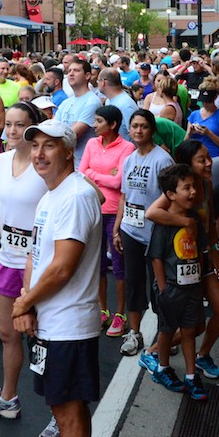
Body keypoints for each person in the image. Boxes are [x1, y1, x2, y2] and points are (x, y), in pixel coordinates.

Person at [13, 121, 102, 437]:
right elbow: (37, 255)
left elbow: (63, 267)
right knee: (70, 408)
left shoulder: (77, 196)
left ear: (70, 151)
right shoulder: (52, 196)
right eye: (35, 146)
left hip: (68, 322)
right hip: (50, 316)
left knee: (66, 411)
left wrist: (23, 302)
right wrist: (28, 302)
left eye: (50, 146)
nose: (39, 154)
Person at [0, 102, 48, 425]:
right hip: (8, 260)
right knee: (8, 334)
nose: (13, 131)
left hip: (42, 266)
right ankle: (8, 397)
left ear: (33, 129)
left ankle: (59, 411)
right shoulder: (2, 162)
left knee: (46, 340)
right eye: (9, 125)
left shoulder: (45, 165)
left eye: (20, 125)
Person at [142, 140, 219, 380]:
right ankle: (153, 353)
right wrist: (185, 222)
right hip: (177, 264)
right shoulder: (179, 190)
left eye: (208, 158)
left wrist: (214, 251)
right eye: (202, 160)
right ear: (188, 165)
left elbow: (210, 218)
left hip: (202, 259)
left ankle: (202, 355)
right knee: (192, 325)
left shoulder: (207, 185)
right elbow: (152, 213)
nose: (209, 162)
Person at [147, 163, 210, 402]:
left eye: (194, 186)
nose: (193, 192)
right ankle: (163, 368)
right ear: (171, 194)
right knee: (166, 330)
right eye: (187, 188)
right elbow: (156, 258)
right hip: (171, 288)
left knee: (189, 331)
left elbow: (200, 252)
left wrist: (200, 282)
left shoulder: (194, 218)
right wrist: (163, 289)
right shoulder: (164, 223)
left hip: (192, 288)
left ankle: (192, 376)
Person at [113, 109, 173, 356]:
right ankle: (134, 332)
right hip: (130, 230)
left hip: (156, 232)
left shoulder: (162, 160)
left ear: (152, 130)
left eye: (143, 126)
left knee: (159, 287)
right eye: (134, 126)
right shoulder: (129, 159)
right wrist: (117, 228)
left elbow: (170, 196)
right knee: (134, 282)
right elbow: (125, 196)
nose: (138, 131)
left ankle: (165, 336)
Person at [78, 105, 133, 336]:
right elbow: (81, 172)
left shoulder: (127, 147)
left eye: (99, 121)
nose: (94, 125)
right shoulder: (91, 144)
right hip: (93, 210)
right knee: (97, 264)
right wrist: (104, 175)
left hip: (115, 212)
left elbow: (120, 181)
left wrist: (94, 174)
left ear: (111, 125)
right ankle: (103, 310)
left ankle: (120, 313)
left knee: (119, 265)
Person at [54, 60, 101, 168]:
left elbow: (72, 135)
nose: (71, 73)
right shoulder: (66, 102)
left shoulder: (92, 101)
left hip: (82, 164)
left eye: (76, 70)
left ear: (87, 75)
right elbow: (53, 127)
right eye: (69, 70)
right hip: (63, 162)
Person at [184, 76, 219, 159]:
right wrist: (189, 133)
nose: (205, 104)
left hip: (214, 156)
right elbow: (185, 142)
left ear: (215, 98)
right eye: (203, 101)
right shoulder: (194, 115)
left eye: (208, 101)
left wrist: (209, 133)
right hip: (195, 157)